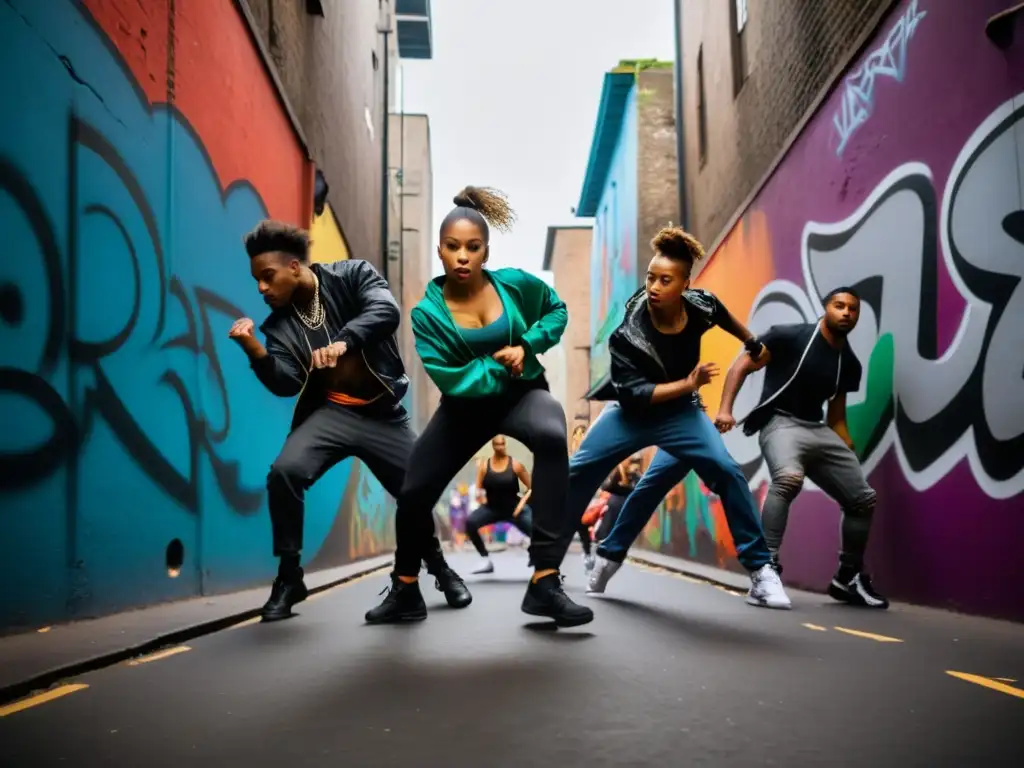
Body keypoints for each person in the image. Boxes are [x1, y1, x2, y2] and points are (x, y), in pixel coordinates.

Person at [364, 186, 593, 627]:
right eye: (453, 248)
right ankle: (406, 588)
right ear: (440, 250)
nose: (462, 256)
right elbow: (452, 376)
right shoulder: (427, 316)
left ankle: (545, 580)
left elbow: (556, 311)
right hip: (464, 407)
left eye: (472, 247)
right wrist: (498, 365)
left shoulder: (514, 284)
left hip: (524, 393)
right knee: (413, 493)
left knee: (551, 435)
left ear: (486, 251)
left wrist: (527, 345)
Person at [229, 220, 469, 622]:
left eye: (267, 277)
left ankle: (440, 570)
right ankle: (289, 578)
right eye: (257, 281)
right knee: (285, 472)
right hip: (331, 413)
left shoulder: (353, 274)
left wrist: (343, 340)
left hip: (382, 414)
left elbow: (386, 311)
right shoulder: (279, 327)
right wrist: (254, 349)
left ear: (294, 266)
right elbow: (286, 382)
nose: (261, 289)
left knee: (416, 493)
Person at [567, 226, 791, 609]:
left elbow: (723, 315)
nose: (653, 286)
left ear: (686, 284)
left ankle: (760, 571)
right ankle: (559, 564)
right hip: (630, 411)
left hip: (681, 414)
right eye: (650, 277)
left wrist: (752, 343)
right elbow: (635, 395)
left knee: (724, 469)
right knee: (577, 470)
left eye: (665, 280)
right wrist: (689, 383)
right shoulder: (628, 333)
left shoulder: (701, 305)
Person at [714, 286, 887, 609]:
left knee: (863, 498)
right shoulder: (789, 337)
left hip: (816, 429)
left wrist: (846, 449)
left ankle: (847, 577)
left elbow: (836, 417)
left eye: (853, 309)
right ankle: (765, 570)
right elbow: (741, 365)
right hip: (780, 423)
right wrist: (726, 409)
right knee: (789, 478)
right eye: (839, 306)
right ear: (826, 308)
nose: (846, 313)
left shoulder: (848, 363)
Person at [466, 436, 534, 574]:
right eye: (497, 444)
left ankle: (542, 563)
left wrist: (521, 505)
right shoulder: (485, 466)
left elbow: (531, 488)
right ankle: (485, 559)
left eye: (502, 444)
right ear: (493, 446)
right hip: (492, 509)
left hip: (514, 510)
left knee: (539, 533)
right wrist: (481, 499)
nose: (500, 447)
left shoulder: (515, 465)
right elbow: (478, 489)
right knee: (470, 522)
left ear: (505, 445)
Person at [594, 455, 644, 542]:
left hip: (616, 501)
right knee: (617, 522)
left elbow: (607, 487)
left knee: (610, 522)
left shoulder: (620, 471)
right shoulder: (633, 474)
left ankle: (605, 539)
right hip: (625, 502)